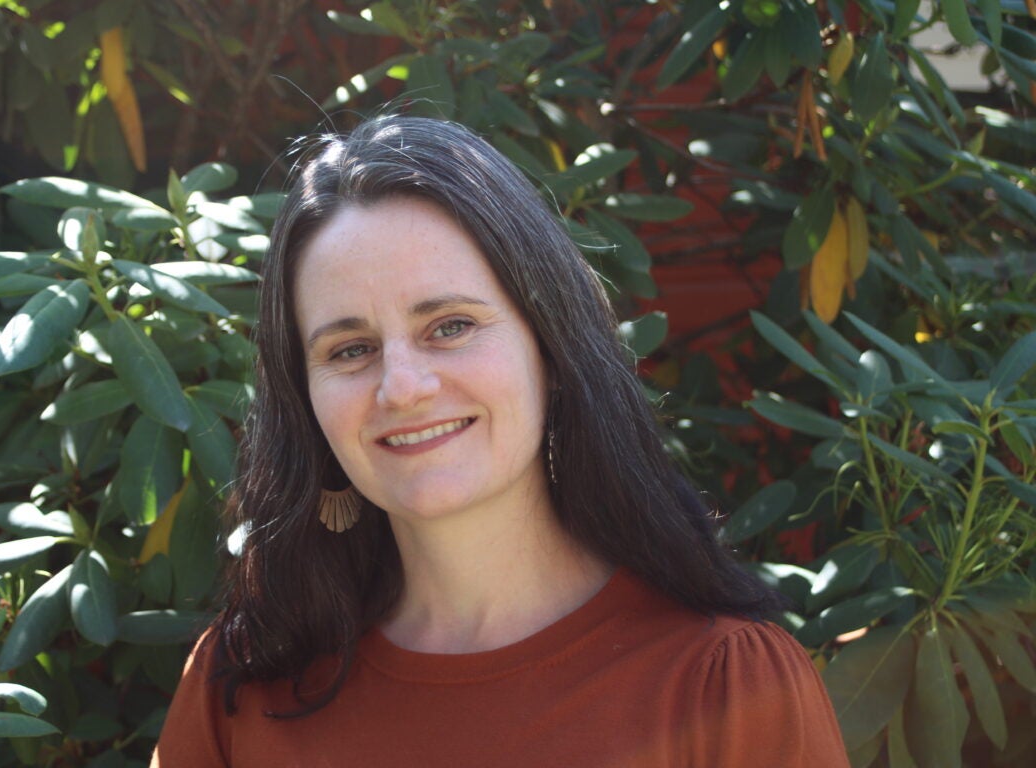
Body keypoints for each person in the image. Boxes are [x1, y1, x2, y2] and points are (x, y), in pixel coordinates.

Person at [150, 115, 848, 767]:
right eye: (351, 349)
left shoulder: (722, 687)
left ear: (550, 347)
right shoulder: (240, 689)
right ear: (306, 401)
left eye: (450, 325)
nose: (402, 386)